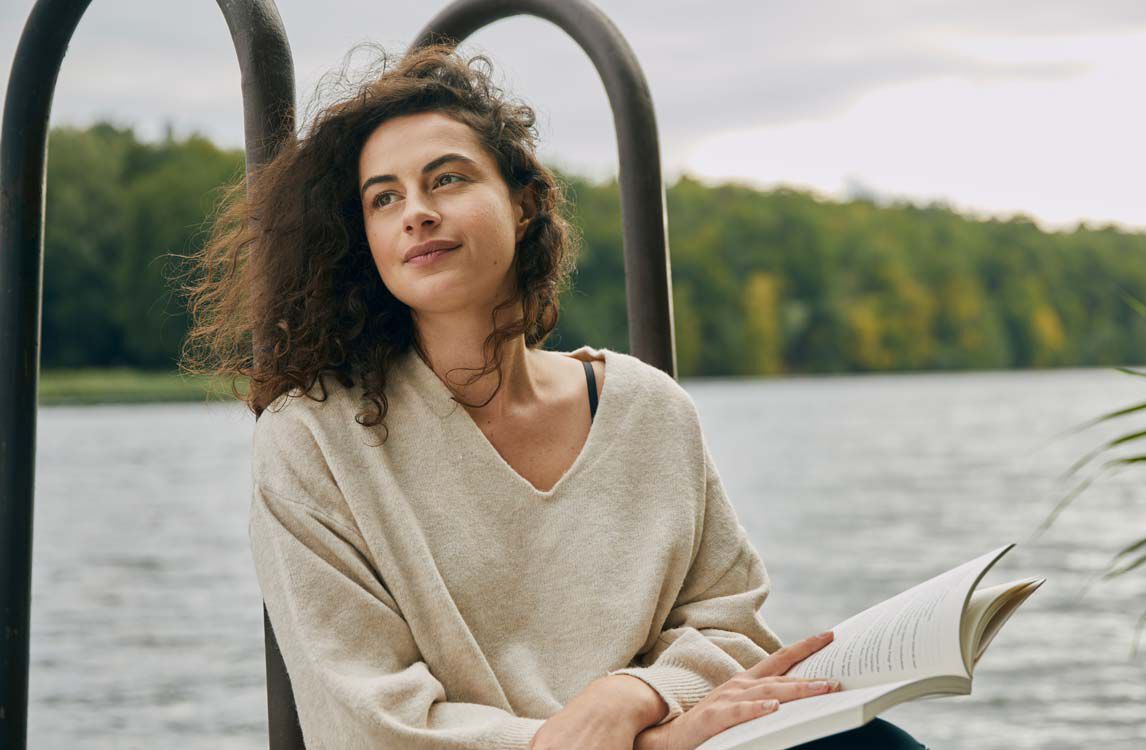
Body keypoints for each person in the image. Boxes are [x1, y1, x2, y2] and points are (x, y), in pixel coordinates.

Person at [180, 40, 926, 750]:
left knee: (867, 742)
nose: (416, 212)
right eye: (384, 198)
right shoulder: (312, 437)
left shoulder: (649, 409)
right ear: (365, 238)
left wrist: (631, 698)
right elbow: (367, 721)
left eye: (447, 179)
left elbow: (730, 625)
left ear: (525, 203)